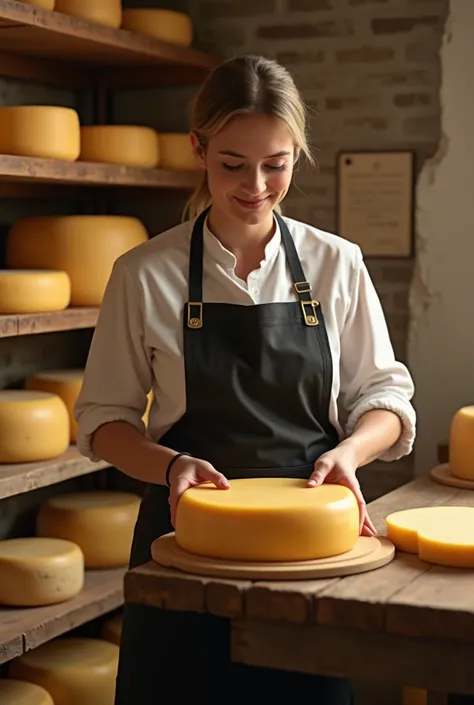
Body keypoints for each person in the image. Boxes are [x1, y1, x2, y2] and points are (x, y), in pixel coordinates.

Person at [75, 54, 416, 705]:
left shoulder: (336, 264)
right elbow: (103, 421)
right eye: (232, 163)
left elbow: (386, 400)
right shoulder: (145, 273)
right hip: (183, 542)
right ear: (198, 148)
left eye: (276, 163)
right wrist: (172, 465)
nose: (255, 184)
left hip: (307, 546)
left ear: (297, 152)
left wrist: (351, 450)